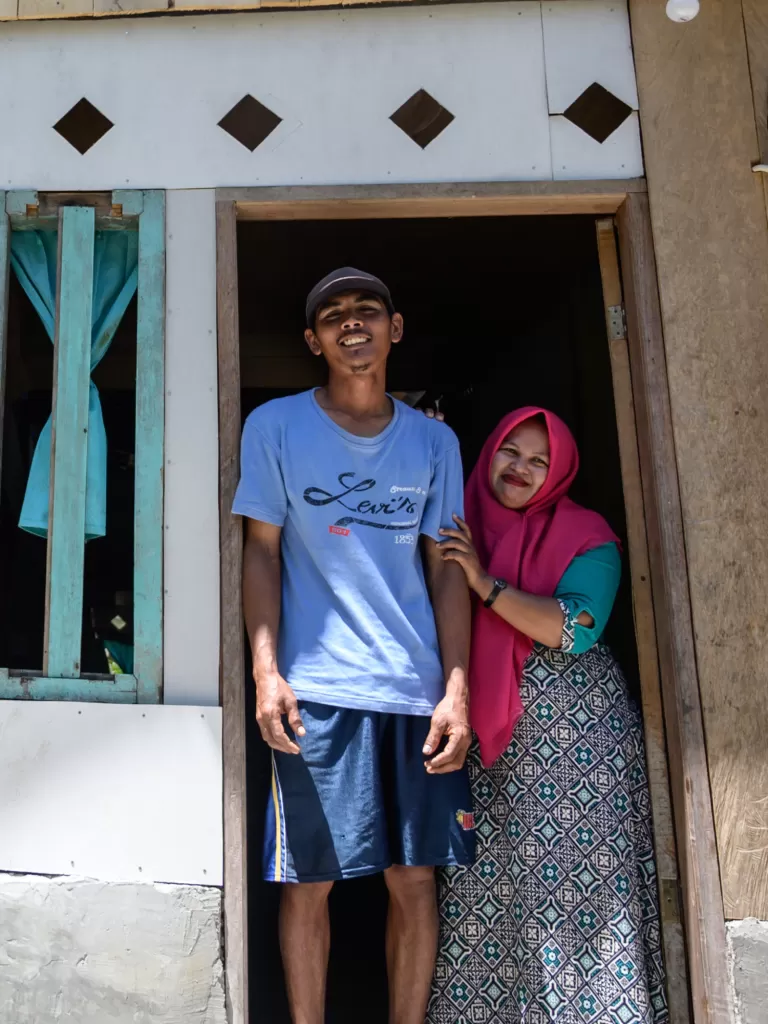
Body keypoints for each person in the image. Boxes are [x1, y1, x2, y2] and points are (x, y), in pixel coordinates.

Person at [233, 268, 476, 1024]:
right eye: (332, 315)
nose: (351, 323)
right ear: (313, 340)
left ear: (393, 328)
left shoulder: (436, 442)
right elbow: (262, 551)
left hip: (414, 690)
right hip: (319, 689)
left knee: (413, 880)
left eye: (367, 310)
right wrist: (266, 672)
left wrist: (456, 689)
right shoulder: (275, 427)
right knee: (308, 880)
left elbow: (446, 569)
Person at [427, 407, 668, 1024]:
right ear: (491, 451)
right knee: (487, 893)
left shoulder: (587, 535)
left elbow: (574, 628)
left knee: (570, 891)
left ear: (558, 472)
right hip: (482, 735)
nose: (522, 470)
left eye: (540, 461)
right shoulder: (456, 521)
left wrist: (483, 581)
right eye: (512, 451)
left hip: (573, 741)